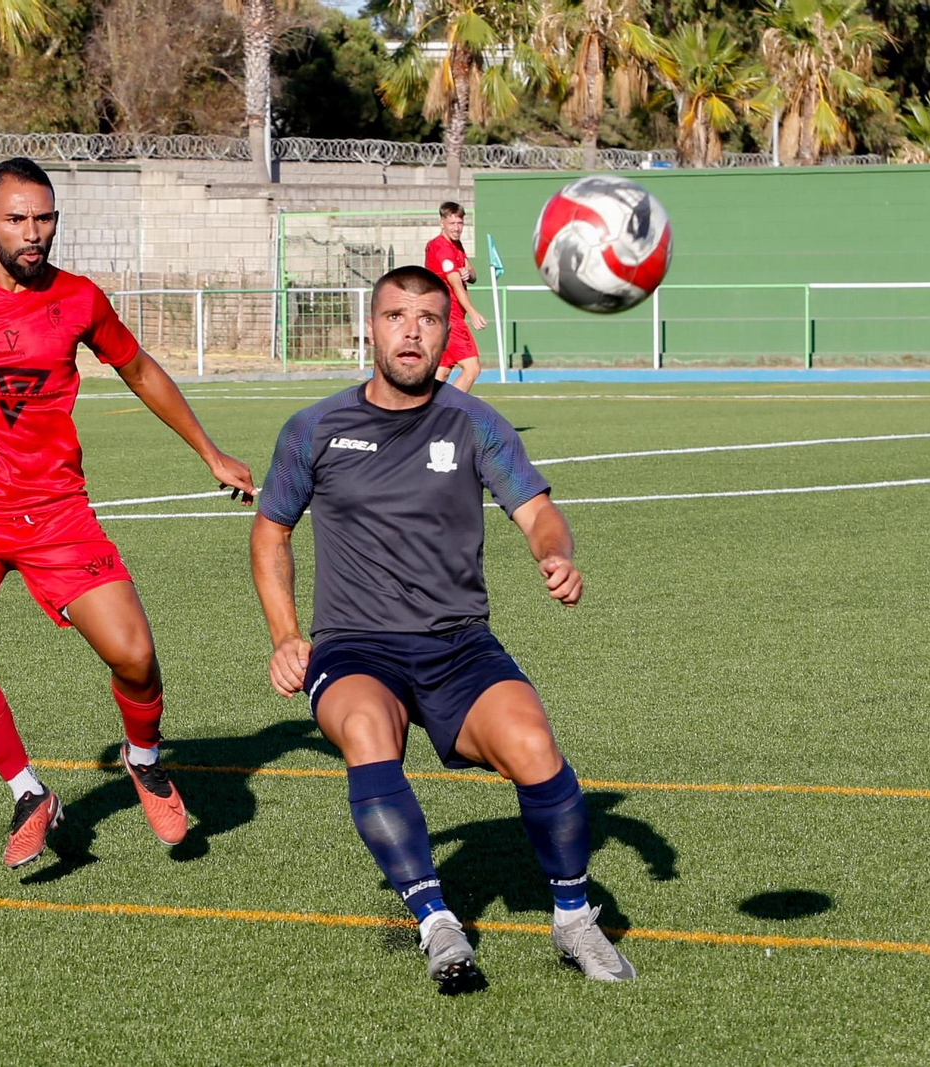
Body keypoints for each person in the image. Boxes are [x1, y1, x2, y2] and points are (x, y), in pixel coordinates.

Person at [0, 157, 256, 870]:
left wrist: (210, 452)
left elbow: (138, 369)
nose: (32, 233)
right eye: (16, 219)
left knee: (135, 655)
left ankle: (144, 758)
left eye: (43, 218)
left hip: (56, 511)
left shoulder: (79, 298)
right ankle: (28, 792)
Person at [249, 265, 635, 992]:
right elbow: (271, 531)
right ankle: (436, 921)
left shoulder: (474, 422)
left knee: (534, 746)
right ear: (370, 326)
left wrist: (553, 553)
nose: (411, 332)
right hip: (356, 646)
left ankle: (574, 919)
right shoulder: (314, 428)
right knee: (367, 729)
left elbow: (537, 511)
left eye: (428, 319)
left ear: (445, 333)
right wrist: (286, 635)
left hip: (458, 642)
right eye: (396, 316)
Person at [423, 201, 487, 393]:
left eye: (460, 223)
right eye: (452, 223)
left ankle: (421, 410)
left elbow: (472, 274)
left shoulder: (456, 245)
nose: (456, 228)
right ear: (442, 222)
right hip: (449, 317)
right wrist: (473, 312)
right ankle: (447, 409)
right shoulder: (442, 248)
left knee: (441, 373)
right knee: (472, 369)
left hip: (441, 317)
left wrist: (468, 273)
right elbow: (455, 284)